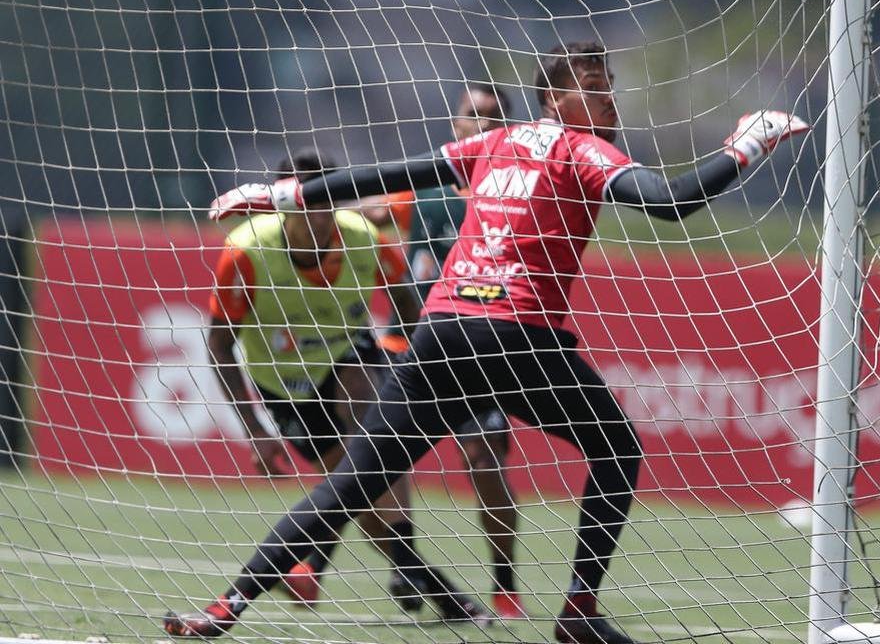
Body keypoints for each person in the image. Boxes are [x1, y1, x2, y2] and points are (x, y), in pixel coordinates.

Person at [167, 41, 808, 644]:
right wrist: (748, 143)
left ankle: (224, 610)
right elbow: (673, 201)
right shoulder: (583, 150)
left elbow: (390, 172)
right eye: (592, 86)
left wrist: (283, 194)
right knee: (616, 449)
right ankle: (578, 610)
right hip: (515, 335)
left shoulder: (495, 142)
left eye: (610, 85)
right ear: (554, 100)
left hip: (444, 334)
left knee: (354, 483)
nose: (609, 99)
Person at [206, 149, 488, 622]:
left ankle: (352, 570)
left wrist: (404, 355)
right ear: (282, 205)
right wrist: (254, 429)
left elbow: (410, 305)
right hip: (283, 384)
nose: (316, 217)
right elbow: (218, 346)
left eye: (326, 204)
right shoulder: (244, 252)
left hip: (351, 356)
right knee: (355, 493)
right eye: (305, 205)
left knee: (372, 427)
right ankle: (417, 577)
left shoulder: (366, 240)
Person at [375, 82, 527, 620]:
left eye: (492, 118)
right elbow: (368, 212)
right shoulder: (424, 189)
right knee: (383, 465)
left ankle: (504, 583)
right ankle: (406, 565)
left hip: (476, 354)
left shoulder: (514, 195)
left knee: (485, 462)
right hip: (407, 347)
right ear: (454, 125)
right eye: (472, 116)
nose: (481, 126)